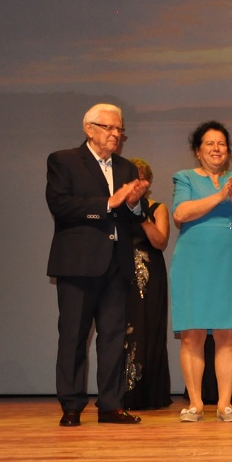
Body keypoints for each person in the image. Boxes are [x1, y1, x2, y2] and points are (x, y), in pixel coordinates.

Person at [46, 104, 149, 427]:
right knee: (73, 336)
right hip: (78, 264)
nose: (116, 134)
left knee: (114, 338)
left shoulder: (126, 168)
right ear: (89, 129)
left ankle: (111, 405)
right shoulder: (63, 160)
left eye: (120, 129)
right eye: (109, 128)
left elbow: (134, 215)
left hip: (117, 264)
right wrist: (108, 203)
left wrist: (134, 204)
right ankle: (71, 406)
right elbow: (60, 205)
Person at [170, 121, 232, 422]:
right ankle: (195, 404)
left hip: (229, 262)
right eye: (209, 143)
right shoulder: (184, 177)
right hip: (193, 262)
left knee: (228, 333)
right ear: (198, 150)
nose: (216, 148)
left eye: (221, 143)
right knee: (192, 333)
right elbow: (181, 213)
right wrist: (220, 196)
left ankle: (224, 404)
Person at [120, 158, 172, 411]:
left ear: (148, 182)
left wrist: (141, 216)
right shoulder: (115, 206)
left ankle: (148, 395)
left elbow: (160, 241)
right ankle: (119, 394)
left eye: (141, 178)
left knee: (148, 329)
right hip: (120, 274)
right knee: (120, 331)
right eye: (132, 179)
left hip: (150, 276)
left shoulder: (157, 208)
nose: (136, 184)